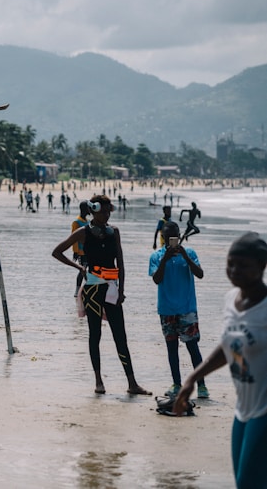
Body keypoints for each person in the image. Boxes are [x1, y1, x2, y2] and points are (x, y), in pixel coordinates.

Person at [174, 232, 267, 488]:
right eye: (230, 263)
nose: (234, 270)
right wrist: (192, 378)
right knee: (244, 482)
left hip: (264, 412)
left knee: (250, 482)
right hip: (243, 410)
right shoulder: (230, 300)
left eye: (243, 265)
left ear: (262, 265)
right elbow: (231, 347)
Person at [52, 194, 152, 396]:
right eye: (103, 211)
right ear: (93, 210)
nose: (107, 215)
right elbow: (57, 252)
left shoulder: (114, 231)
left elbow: (120, 263)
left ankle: (132, 383)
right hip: (92, 290)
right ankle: (98, 381)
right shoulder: (83, 232)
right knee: (95, 335)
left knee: (120, 336)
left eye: (109, 211)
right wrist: (79, 267)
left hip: (112, 289)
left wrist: (122, 290)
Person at [149, 221, 207, 399]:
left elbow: (200, 274)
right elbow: (157, 279)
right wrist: (165, 259)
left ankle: (202, 386)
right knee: (172, 348)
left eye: (174, 236)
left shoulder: (189, 252)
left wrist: (185, 257)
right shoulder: (157, 256)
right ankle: (176, 383)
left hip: (187, 308)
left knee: (192, 347)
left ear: (179, 235)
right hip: (167, 309)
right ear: (163, 237)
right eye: (167, 237)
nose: (170, 240)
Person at [71, 202, 91, 296]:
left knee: (88, 269)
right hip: (81, 251)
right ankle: (77, 290)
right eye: (88, 208)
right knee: (82, 269)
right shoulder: (76, 222)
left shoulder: (87, 221)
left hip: (88, 250)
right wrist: (75, 252)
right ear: (84, 209)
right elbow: (73, 238)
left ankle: (89, 287)